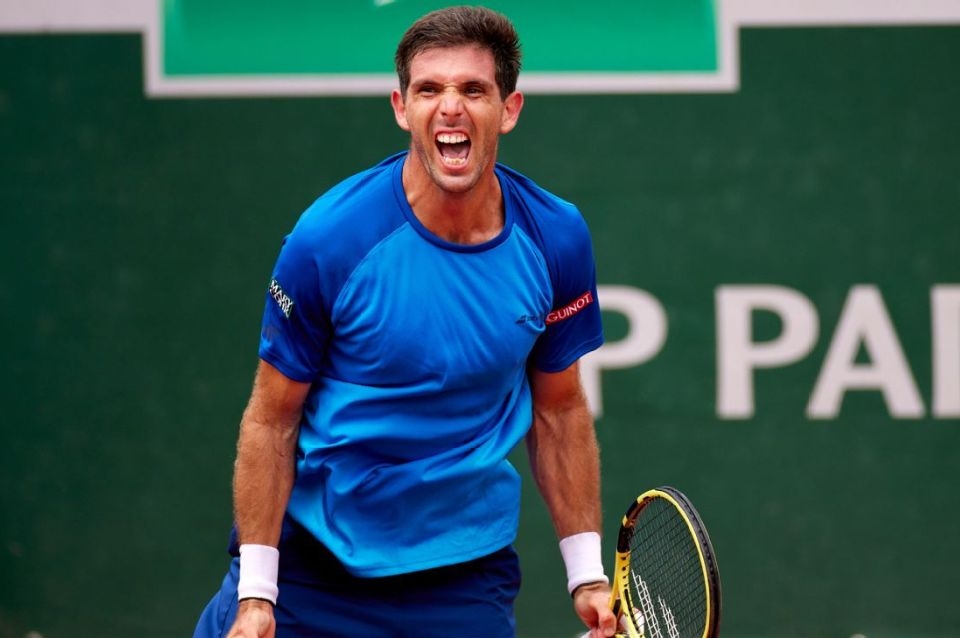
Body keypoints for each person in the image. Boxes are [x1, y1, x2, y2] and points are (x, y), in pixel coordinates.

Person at [193, 6, 616, 638]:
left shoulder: (555, 237)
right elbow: (272, 419)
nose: (450, 107)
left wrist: (587, 576)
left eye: (473, 89)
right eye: (429, 89)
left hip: (461, 574)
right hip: (314, 565)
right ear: (401, 107)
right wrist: (257, 594)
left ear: (509, 109)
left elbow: (558, 411)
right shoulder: (331, 239)